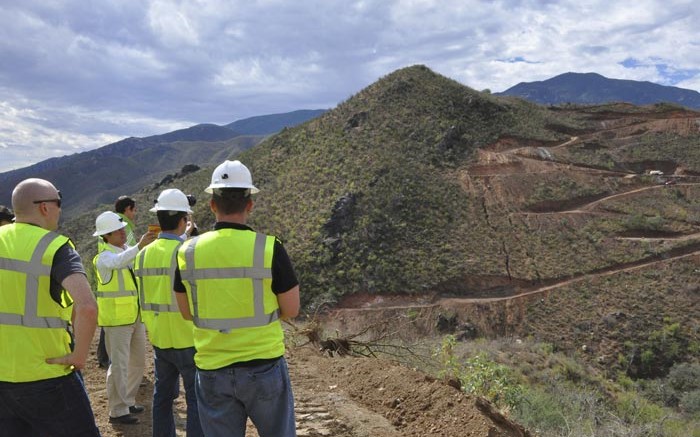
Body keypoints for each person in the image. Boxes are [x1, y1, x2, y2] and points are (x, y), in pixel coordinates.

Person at [174, 160, 300, 437]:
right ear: (250, 204)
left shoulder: (188, 252)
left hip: (212, 369)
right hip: (264, 366)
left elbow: (186, 312)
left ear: (212, 204)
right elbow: (291, 309)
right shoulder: (269, 248)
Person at [0, 178, 101, 436]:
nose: (60, 209)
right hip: (48, 374)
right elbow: (87, 307)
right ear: (44, 207)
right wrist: (79, 356)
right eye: (58, 203)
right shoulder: (55, 247)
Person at [134, 189, 203, 437]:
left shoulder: (141, 255)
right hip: (189, 337)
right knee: (196, 399)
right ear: (184, 220)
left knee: (162, 398)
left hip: (160, 339)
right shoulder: (188, 252)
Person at [93, 211, 156, 424]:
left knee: (137, 362)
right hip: (117, 320)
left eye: (121, 229)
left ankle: (128, 400)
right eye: (117, 231)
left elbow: (132, 258)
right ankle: (117, 411)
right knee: (118, 365)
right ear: (105, 236)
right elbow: (118, 262)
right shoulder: (103, 257)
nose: (122, 232)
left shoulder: (126, 251)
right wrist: (139, 246)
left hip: (134, 317)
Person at [96, 196, 139, 369]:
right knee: (119, 361)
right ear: (127, 209)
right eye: (134, 210)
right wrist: (140, 247)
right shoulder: (123, 225)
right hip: (119, 311)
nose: (135, 213)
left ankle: (104, 357)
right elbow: (121, 259)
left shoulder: (110, 224)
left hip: (127, 309)